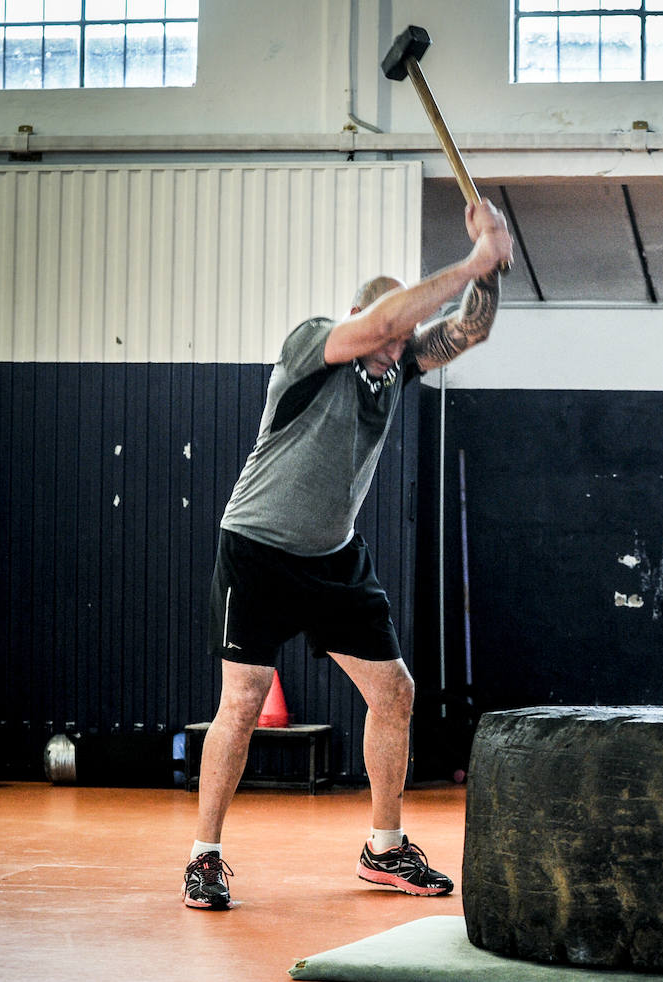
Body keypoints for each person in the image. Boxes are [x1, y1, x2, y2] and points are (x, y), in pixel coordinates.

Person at [182, 199, 513, 910]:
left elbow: (470, 329)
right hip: (258, 549)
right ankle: (204, 858)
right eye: (386, 339)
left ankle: (383, 849)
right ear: (362, 325)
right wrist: (468, 262)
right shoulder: (315, 344)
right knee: (239, 704)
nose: (394, 354)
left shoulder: (394, 369)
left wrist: (493, 263)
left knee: (395, 693)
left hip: (333, 558)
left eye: (400, 347)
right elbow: (390, 322)